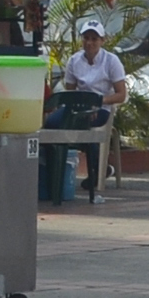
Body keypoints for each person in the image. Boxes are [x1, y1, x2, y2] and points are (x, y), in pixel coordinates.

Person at [48, 15, 127, 197]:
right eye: (86, 38)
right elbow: (70, 91)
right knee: (51, 124)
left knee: (86, 124)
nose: (89, 43)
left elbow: (121, 94)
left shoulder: (111, 61)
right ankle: (54, 173)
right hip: (78, 106)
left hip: (101, 107)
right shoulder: (74, 61)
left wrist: (99, 103)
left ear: (102, 41)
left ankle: (97, 170)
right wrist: (78, 106)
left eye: (94, 39)